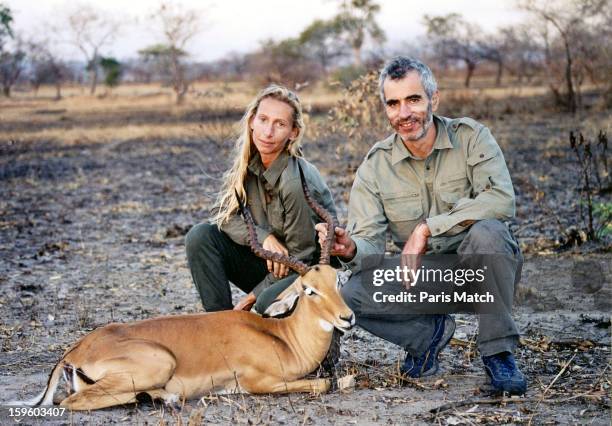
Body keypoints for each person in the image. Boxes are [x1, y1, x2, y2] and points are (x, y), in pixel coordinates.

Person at [316, 56, 527, 395]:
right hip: (425, 280)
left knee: (489, 232)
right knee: (350, 294)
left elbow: (502, 201)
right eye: (393, 103)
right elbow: (368, 242)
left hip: (485, 273)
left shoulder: (472, 138)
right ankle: (426, 337)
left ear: (434, 99)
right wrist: (351, 247)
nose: (404, 113)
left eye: (413, 99)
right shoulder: (375, 166)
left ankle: (498, 353)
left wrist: (426, 228)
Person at [185, 84, 338, 316]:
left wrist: (252, 297)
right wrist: (263, 237)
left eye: (280, 124)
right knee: (200, 236)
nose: (268, 132)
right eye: (263, 120)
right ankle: (221, 326)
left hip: (305, 273)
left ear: (293, 132)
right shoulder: (249, 164)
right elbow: (224, 216)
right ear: (251, 121)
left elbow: (302, 258)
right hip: (271, 265)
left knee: (266, 303)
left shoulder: (295, 180)